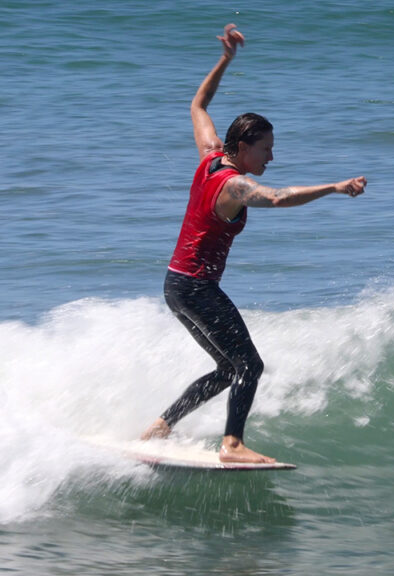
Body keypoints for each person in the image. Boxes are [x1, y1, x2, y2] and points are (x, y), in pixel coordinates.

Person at [140, 24, 367, 463]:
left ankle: (159, 428)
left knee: (229, 368)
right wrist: (336, 188)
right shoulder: (234, 186)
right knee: (250, 366)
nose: (271, 157)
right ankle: (233, 445)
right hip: (198, 290)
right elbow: (279, 198)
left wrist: (225, 60)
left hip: (175, 284)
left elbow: (198, 104)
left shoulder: (210, 156)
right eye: (266, 149)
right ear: (244, 147)